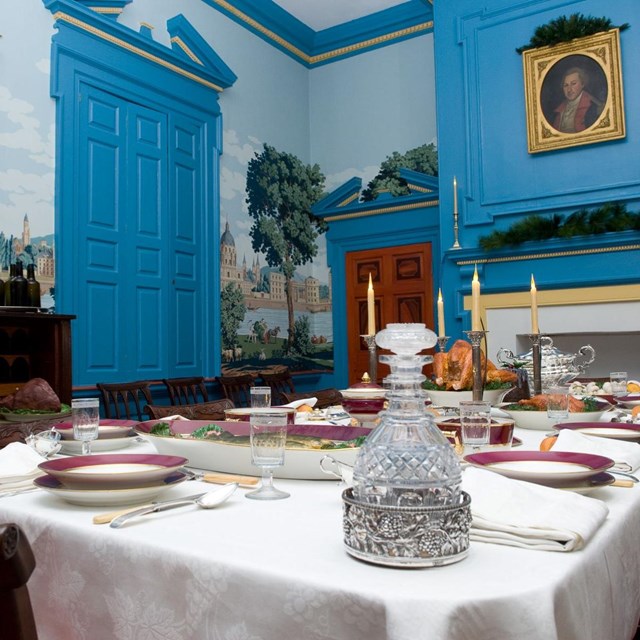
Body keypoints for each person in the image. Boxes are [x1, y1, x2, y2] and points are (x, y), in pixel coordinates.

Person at [552, 66, 603, 133]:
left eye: (573, 84)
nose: (569, 89)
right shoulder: (559, 110)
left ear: (582, 84)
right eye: (566, 85)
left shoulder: (593, 106)